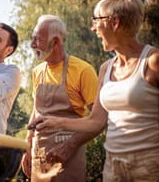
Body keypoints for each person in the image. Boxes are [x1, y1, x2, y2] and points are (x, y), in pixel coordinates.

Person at [32, 0, 159, 181]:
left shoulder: (157, 60)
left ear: (115, 22)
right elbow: (96, 121)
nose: (93, 28)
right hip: (113, 165)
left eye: (96, 20)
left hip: (151, 164)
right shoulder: (106, 68)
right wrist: (56, 122)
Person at [21, 15, 100, 182]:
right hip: (39, 153)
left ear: (55, 42)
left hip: (69, 156)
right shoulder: (37, 72)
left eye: (37, 39)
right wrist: (27, 144)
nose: (32, 45)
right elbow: (36, 110)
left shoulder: (83, 70)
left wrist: (69, 145)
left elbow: (99, 120)